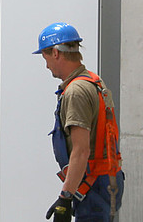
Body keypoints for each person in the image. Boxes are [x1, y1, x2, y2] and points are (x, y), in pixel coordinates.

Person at [34, 22, 124, 222]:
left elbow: (81, 150)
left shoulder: (76, 92)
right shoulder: (93, 81)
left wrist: (64, 198)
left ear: (56, 53)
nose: (46, 64)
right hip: (102, 182)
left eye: (45, 57)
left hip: (94, 186)